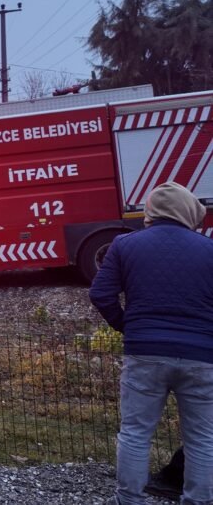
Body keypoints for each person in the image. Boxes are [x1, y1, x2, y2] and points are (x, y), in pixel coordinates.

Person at [89, 181, 213, 505]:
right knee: (202, 438)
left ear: (151, 211)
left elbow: (100, 294)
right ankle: (197, 500)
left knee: (135, 433)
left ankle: (129, 500)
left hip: (144, 353)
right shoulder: (209, 249)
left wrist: (128, 326)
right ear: (189, 212)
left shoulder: (124, 245)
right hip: (201, 356)